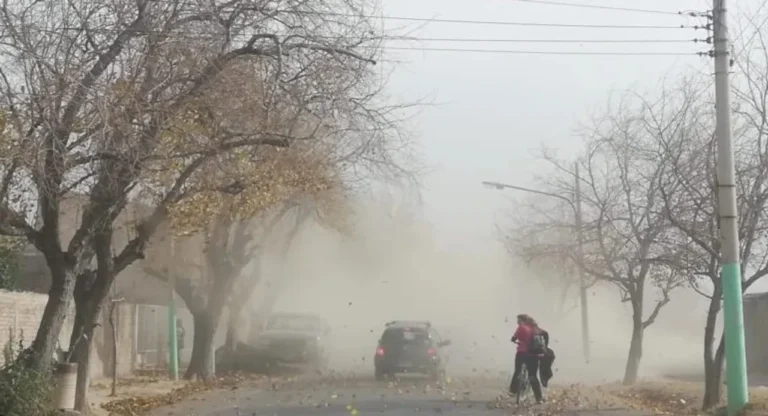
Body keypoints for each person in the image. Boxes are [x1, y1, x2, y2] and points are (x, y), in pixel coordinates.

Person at [509, 314, 544, 403]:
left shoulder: (521, 327)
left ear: (522, 320)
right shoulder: (535, 329)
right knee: (533, 376)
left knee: (517, 371)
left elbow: (514, 338)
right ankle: (539, 398)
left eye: (518, 320)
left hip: (522, 353)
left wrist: (514, 340)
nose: (517, 322)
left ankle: (513, 391)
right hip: (534, 355)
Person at [524, 317, 556, 387]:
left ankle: (542, 380)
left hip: (535, 351)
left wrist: (545, 346)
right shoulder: (535, 330)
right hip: (534, 351)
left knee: (536, 369)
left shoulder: (535, 330)